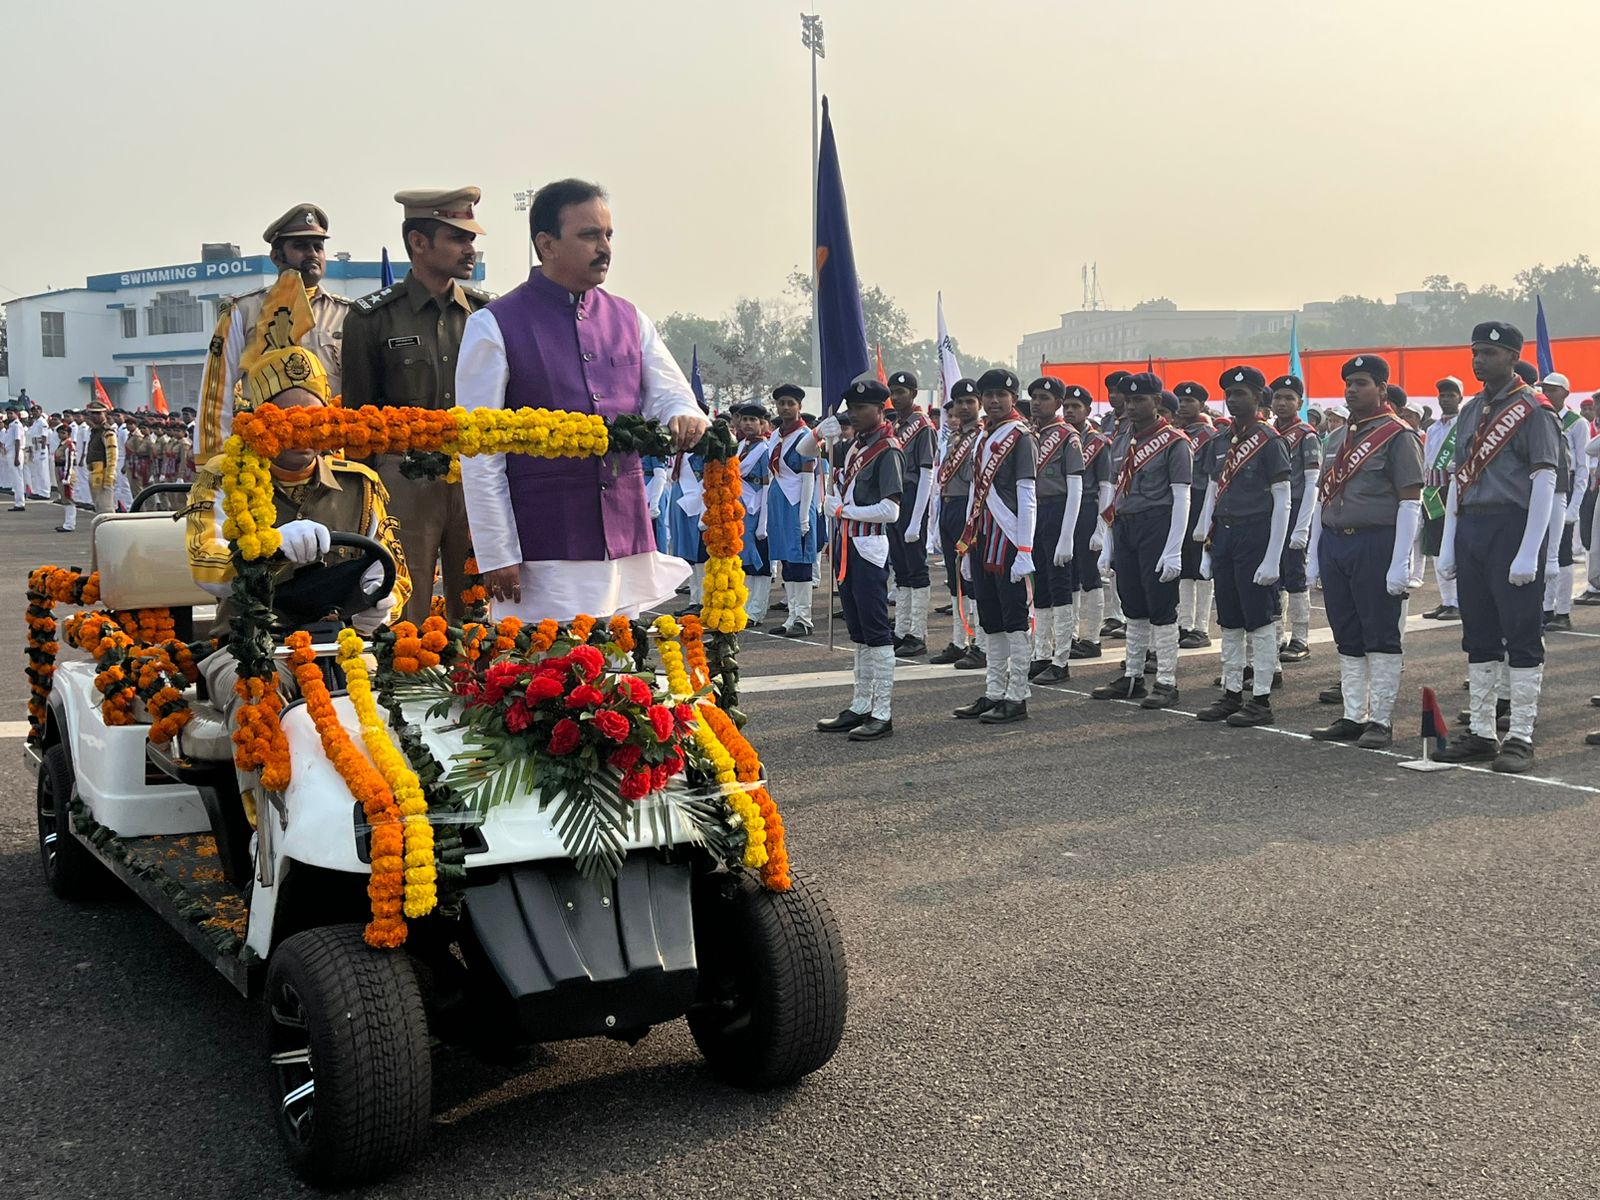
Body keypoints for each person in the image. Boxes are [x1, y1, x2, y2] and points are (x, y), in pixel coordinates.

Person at [456, 179, 707, 621]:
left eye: (608, 235)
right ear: (546, 244)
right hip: (544, 545)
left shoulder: (629, 318)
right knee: (548, 678)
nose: (604, 247)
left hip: (625, 538)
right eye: (589, 235)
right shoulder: (494, 325)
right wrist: (497, 551)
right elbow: (479, 453)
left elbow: (672, 393)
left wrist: (683, 413)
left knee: (621, 675)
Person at [187, 345, 409, 724]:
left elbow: (397, 573)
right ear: (259, 419)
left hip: (343, 642)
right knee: (259, 699)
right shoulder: (223, 478)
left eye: (314, 417)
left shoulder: (360, 485)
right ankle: (259, 787)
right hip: (250, 645)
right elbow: (204, 563)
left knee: (405, 701)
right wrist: (271, 549)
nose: (302, 429)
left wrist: (384, 603)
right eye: (287, 417)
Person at [341, 187, 493, 625]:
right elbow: (359, 422)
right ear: (418, 243)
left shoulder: (485, 316)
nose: (470, 249)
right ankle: (410, 690)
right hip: (403, 478)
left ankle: (479, 688)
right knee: (407, 603)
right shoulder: (372, 318)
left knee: (479, 605)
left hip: (473, 477)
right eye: (457, 238)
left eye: (471, 239)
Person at [1431, 324, 1562, 773]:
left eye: (1488, 353)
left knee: (1522, 634)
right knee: (1480, 634)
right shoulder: (1471, 409)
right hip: (1473, 529)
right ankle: (1484, 732)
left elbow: (1545, 479)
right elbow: (1456, 477)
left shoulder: (1534, 409)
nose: (1478, 360)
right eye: (1475, 352)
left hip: (1512, 526)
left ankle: (1521, 735)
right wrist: (1449, 544)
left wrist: (1531, 550)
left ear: (1511, 356)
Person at [1306, 355, 1424, 749]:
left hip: (1376, 541)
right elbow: (1325, 497)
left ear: (1382, 389)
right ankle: (1353, 714)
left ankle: (1381, 721)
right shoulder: (1337, 438)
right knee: (1347, 632)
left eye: (1361, 383)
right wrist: (1313, 553)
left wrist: (1401, 562)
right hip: (1337, 542)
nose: (1352, 389)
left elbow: (1410, 502)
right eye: (1349, 383)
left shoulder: (1398, 435)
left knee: (1381, 632)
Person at [196, 205, 352, 460]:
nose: (312, 254)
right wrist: (214, 462)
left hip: (331, 454)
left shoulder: (347, 314)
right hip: (265, 455)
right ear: (277, 257)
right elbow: (217, 390)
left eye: (318, 247)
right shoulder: (244, 310)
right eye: (301, 246)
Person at [1192, 367, 1292, 727]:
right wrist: (1205, 542)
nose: (1234, 400)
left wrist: (1273, 557)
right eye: (1230, 394)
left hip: (1256, 535)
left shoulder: (1269, 439)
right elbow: (1213, 493)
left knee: (1260, 620)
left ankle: (1261, 698)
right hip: (1226, 536)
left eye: (1242, 393)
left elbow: (1283, 501)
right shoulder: (1220, 441)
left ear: (1258, 397)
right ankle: (1232, 691)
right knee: (1230, 619)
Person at [1090, 374, 1192, 708]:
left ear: (1157, 402)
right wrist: (1108, 542)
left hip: (1157, 525)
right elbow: (1115, 492)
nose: (1131, 406)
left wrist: (1174, 548)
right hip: (1126, 526)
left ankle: (1166, 681)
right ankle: (1132, 676)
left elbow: (1182, 498)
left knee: (1161, 604)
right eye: (1128, 400)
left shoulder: (1174, 442)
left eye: (1139, 400)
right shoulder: (1120, 439)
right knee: (1132, 602)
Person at [812, 380, 903, 741]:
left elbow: (890, 510)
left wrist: (844, 510)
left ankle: (883, 712)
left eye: (861, 407)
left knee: (878, 633)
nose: (854, 413)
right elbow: (807, 454)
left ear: (880, 409)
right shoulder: (852, 449)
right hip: (846, 547)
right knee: (861, 634)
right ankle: (860, 704)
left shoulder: (887, 450)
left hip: (868, 548)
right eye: (851, 406)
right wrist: (821, 432)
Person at [952, 369, 1038, 724]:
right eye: (988, 395)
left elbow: (1027, 494)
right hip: (982, 536)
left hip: (1008, 538)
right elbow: (976, 491)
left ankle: (1017, 694)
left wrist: (1025, 550)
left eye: (1000, 395)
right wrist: (969, 538)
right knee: (990, 619)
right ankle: (994, 690)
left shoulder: (1020, 437)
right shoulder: (983, 437)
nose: (993, 401)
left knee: (1014, 619)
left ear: (1013, 398)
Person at [1024, 376, 1084, 684]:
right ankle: (1041, 654)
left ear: (1058, 403)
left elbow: (1076, 488)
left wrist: (1066, 537)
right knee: (1041, 587)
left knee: (1060, 587)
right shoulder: (1030, 434)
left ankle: (1061, 659)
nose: (1036, 402)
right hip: (1035, 512)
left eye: (1044, 397)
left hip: (1058, 510)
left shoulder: (1066, 435)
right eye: (1034, 396)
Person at [928, 379, 984, 667]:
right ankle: (958, 639)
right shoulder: (953, 437)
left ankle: (980, 642)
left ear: (979, 404)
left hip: (969, 510)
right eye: (958, 402)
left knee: (973, 578)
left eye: (968, 402)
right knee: (955, 580)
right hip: (950, 508)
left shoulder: (982, 437)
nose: (962, 407)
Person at [1267, 375, 1322, 663]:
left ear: (1300, 403)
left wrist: (1302, 527)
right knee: (1272, 574)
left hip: (1297, 506)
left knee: (1295, 575)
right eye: (1278, 397)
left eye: (1289, 398)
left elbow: (1312, 481)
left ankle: (1300, 638)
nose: (1283, 403)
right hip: (1273, 510)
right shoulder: (1267, 432)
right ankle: (1276, 636)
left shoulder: (1306, 434)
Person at [885, 370, 935, 657]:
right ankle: (902, 629)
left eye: (901, 392)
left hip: (914, 499)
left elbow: (927, 473)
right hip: (897, 499)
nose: (896, 397)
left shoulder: (922, 426)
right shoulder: (897, 424)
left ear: (913, 394)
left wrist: (917, 519)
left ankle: (918, 632)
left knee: (916, 568)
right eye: (892, 392)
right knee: (901, 568)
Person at [1537, 372, 1591, 632]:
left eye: (1553, 389)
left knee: (1563, 554)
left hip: (1566, 488)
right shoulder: (1541, 417)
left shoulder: (1576, 422)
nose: (1547, 393)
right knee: (1545, 550)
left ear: (1566, 394)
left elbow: (1582, 467)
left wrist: (1575, 506)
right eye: (1545, 389)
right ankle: (1546, 608)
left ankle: (1563, 610)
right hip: (1545, 487)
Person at [765, 384, 819, 637]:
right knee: (787, 559)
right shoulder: (776, 435)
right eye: (781, 403)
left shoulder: (806, 436)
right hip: (779, 500)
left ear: (799, 407)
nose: (785, 408)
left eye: (790, 403)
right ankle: (791, 615)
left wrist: (805, 514)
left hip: (798, 500)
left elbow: (809, 476)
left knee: (801, 560)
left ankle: (804, 618)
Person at [1063, 385, 1112, 660]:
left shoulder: (1098, 442)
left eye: (1075, 407)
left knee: (1090, 577)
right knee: (1068, 575)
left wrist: (1100, 528)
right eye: (1066, 406)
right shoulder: (1061, 438)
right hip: (1065, 511)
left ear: (1088, 410)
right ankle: (1068, 634)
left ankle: (1092, 638)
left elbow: (1107, 486)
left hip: (1088, 511)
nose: (1070, 411)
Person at [1173, 382, 1217, 648]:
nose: (1184, 404)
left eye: (1190, 400)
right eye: (1181, 399)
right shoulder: (1177, 433)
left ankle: (1201, 628)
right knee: (1185, 566)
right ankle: (1184, 622)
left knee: (1202, 567)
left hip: (1202, 500)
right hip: (1182, 502)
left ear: (1201, 405)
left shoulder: (1210, 435)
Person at [1420, 376, 1464, 620]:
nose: (1446, 399)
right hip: (1433, 491)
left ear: (1460, 398)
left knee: (1455, 544)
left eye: (1451, 395)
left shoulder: (1465, 424)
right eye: (1443, 395)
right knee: (1436, 546)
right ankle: (1447, 600)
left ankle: (1459, 600)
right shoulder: (1433, 428)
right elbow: (1427, 461)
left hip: (1454, 490)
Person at [731, 403, 774, 627]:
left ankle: (757, 609)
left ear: (762, 424)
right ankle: (746, 606)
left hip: (757, 505)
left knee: (760, 558)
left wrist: (764, 522)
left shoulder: (765, 449)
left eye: (753, 420)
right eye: (745, 419)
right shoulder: (739, 447)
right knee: (744, 558)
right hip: (740, 505)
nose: (748, 424)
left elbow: (767, 485)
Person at [3, 409, 25, 511]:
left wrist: (16, 457)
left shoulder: (16, 425)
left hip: (15, 452)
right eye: (8, 414)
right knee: (15, 478)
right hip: (11, 451)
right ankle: (18, 502)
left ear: (16, 414)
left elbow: (17, 441)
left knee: (17, 479)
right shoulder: (12, 425)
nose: (9, 415)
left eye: (11, 413)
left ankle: (20, 503)